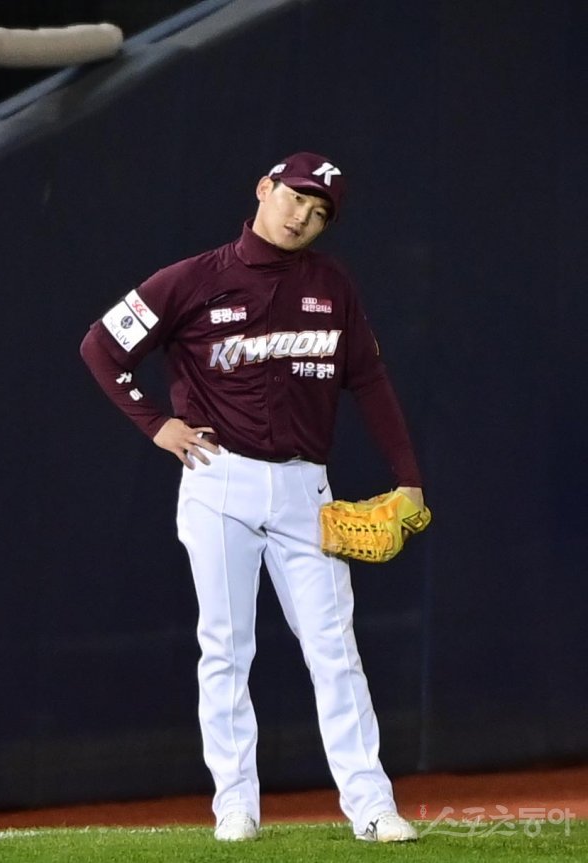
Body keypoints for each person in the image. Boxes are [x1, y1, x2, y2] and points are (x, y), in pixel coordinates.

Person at [80, 151, 425, 843]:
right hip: (220, 482)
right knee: (227, 647)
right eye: (296, 197)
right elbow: (100, 346)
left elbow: (369, 381)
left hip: (305, 488)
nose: (303, 216)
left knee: (335, 648)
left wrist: (407, 476)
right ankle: (235, 805)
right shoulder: (192, 278)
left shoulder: (333, 284)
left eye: (319, 212)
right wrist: (156, 423)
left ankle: (372, 805)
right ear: (265, 189)